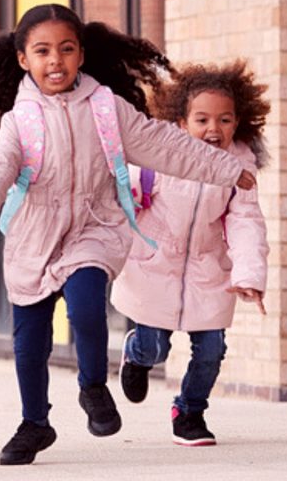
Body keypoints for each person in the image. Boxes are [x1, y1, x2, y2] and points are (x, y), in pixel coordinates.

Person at [0, 3, 257, 466]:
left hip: (94, 225)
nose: (56, 60)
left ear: (81, 54)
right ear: (23, 60)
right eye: (43, 51)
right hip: (35, 235)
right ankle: (35, 423)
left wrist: (226, 168)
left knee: (87, 303)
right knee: (28, 342)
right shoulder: (20, 120)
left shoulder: (107, 109)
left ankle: (92, 385)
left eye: (67, 49)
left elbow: (165, 144)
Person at [111, 60, 270, 447]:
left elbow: (246, 222)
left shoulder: (240, 169)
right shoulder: (158, 157)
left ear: (238, 122)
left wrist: (248, 275)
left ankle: (190, 411)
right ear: (182, 122)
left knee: (211, 351)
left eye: (225, 120)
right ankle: (136, 355)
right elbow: (123, 194)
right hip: (154, 267)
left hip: (208, 271)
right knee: (155, 347)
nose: (213, 129)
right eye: (202, 120)